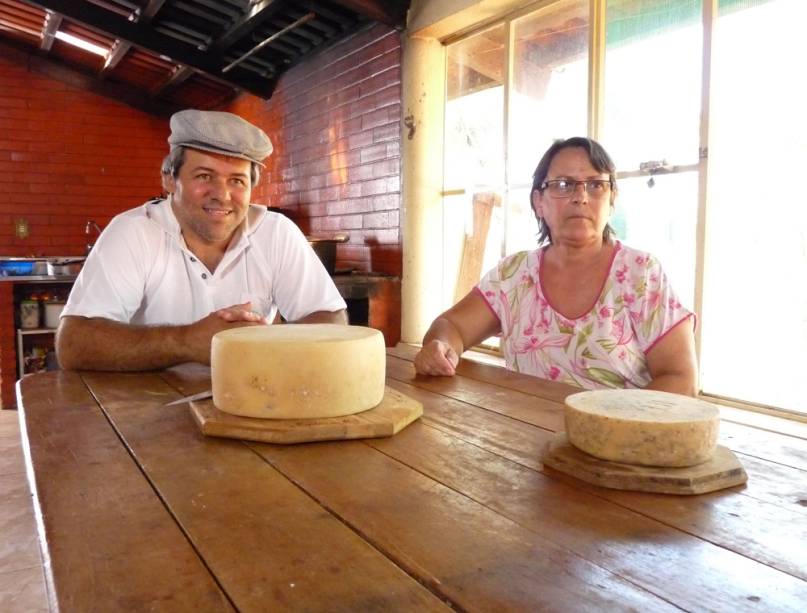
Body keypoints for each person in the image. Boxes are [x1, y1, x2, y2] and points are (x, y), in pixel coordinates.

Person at [57, 109, 347, 371]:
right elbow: (73, 344)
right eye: (205, 176)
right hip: (146, 412)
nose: (222, 194)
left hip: (255, 400)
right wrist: (186, 341)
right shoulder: (133, 232)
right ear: (170, 180)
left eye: (237, 180)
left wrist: (268, 343)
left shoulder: (276, 232)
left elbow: (330, 320)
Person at [414, 137, 697, 395]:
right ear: (539, 202)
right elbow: (452, 326)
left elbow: (681, 379)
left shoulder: (641, 274)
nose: (581, 196)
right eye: (563, 185)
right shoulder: (514, 275)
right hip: (526, 440)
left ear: (612, 200)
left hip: (620, 443)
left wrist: (605, 428)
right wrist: (441, 347)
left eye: (596, 185)